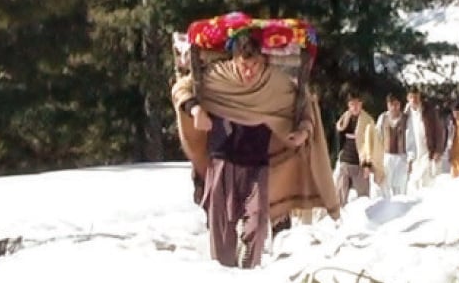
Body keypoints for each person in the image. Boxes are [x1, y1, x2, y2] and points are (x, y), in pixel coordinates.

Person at [171, 32, 338, 269]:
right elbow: (182, 89)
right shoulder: (218, 76)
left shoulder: (275, 83)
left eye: (255, 65)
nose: (249, 72)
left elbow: (304, 107)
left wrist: (302, 131)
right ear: (234, 60)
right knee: (221, 229)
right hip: (222, 160)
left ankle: (250, 275)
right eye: (244, 65)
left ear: (264, 61)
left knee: (257, 225)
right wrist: (196, 110)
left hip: (257, 163)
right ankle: (223, 276)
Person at [334, 90, 384, 208]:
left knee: (363, 200)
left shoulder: (367, 121)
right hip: (345, 161)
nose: (355, 107)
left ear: (361, 104)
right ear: (349, 105)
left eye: (357, 104)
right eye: (352, 104)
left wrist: (367, 165)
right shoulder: (344, 119)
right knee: (339, 197)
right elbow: (338, 138)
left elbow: (371, 144)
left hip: (360, 164)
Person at [404, 87, 445, 193]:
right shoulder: (405, 115)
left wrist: (438, 150)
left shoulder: (429, 112)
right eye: (412, 97)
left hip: (428, 152)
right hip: (413, 156)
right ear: (408, 98)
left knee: (429, 184)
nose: (414, 100)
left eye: (416, 97)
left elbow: (439, 131)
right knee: (414, 185)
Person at [375, 92, 408, 197]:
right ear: (387, 105)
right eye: (391, 105)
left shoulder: (406, 118)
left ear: (400, 104)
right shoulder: (383, 117)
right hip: (387, 156)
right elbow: (378, 137)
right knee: (385, 185)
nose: (394, 107)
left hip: (402, 157)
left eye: (396, 104)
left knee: (399, 187)